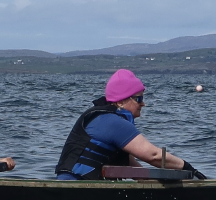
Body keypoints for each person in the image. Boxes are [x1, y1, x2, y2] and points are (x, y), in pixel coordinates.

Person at [53, 69, 205, 180]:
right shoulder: (111, 122)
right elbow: (153, 156)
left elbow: (132, 167)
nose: (143, 104)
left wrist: (156, 184)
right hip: (77, 190)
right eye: (139, 99)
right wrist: (189, 169)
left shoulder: (106, 118)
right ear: (120, 101)